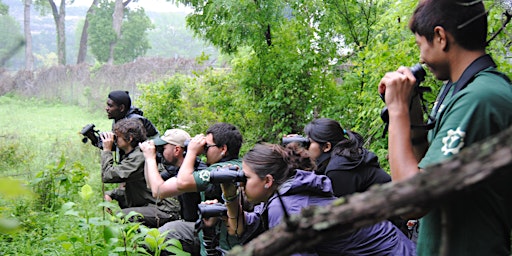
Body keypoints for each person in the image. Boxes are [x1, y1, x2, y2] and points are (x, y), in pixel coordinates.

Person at [378, 0, 512, 255]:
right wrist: (411, 111)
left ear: (440, 37)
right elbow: (430, 171)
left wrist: (396, 111)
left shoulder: (480, 98)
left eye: (420, 45)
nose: (420, 58)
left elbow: (411, 201)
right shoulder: (458, 91)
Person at [221, 143, 416, 255]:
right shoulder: (285, 191)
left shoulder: (285, 207)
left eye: (244, 179)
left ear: (268, 181)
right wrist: (230, 197)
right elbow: (248, 224)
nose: (241, 184)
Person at [176, 122, 244, 255]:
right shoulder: (241, 165)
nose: (204, 151)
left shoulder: (218, 171)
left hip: (226, 245)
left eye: (207, 147)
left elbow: (182, 182)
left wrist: (191, 151)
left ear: (223, 149)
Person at [100, 118, 180, 228]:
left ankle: (143, 244)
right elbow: (137, 188)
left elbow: (107, 175)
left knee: (123, 216)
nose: (114, 140)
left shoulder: (139, 157)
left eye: (117, 137)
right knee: (126, 208)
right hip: (154, 204)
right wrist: (112, 194)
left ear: (130, 139)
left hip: (165, 209)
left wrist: (106, 150)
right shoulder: (134, 154)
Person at [139, 128, 206, 255]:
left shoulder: (196, 171)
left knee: (157, 240)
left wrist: (150, 158)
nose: (160, 152)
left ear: (176, 150)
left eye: (163, 148)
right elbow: (151, 185)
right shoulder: (178, 168)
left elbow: (157, 192)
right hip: (189, 223)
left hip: (202, 230)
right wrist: (148, 158)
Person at [303, 118, 391, 197]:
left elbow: (342, 208)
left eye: (309, 142)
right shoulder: (345, 155)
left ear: (326, 147)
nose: (305, 146)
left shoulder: (338, 168)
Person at [104, 90, 160, 206]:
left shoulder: (133, 122)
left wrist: (107, 150)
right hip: (134, 164)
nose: (106, 108)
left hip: (162, 205)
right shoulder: (120, 120)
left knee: (126, 214)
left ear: (121, 108)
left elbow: (107, 175)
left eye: (110, 105)